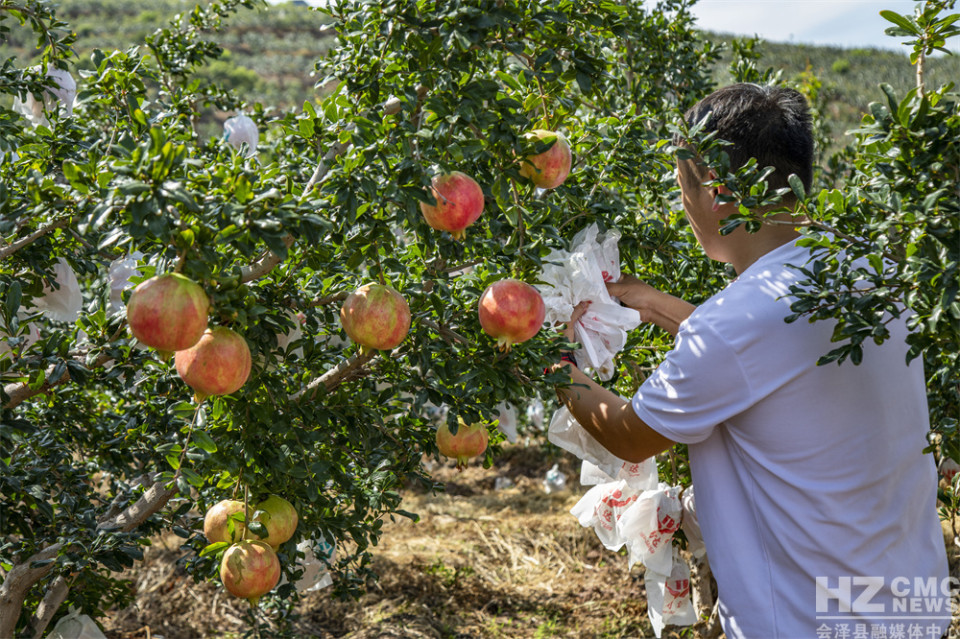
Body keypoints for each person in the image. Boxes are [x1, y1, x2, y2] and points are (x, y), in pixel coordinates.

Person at [554, 83, 950, 638]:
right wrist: (654, 304)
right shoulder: (870, 270)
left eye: (683, 187)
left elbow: (628, 434)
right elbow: (770, 361)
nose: (684, 206)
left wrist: (549, 358)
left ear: (716, 190)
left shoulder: (735, 324)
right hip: (909, 609)